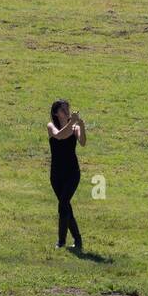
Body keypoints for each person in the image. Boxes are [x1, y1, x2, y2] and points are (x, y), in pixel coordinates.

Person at [47, 99, 86, 250]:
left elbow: (82, 142)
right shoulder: (51, 126)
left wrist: (81, 125)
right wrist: (73, 123)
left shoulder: (74, 126)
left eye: (67, 109)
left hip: (72, 173)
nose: (67, 112)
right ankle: (77, 240)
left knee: (63, 203)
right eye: (63, 110)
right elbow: (59, 136)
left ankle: (61, 241)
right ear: (56, 113)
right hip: (56, 173)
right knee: (65, 205)